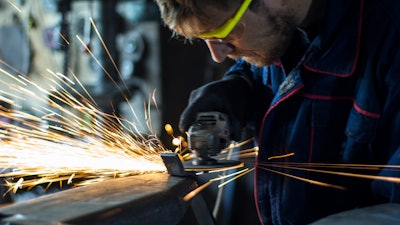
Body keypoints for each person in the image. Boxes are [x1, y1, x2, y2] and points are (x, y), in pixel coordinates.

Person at [155, 0, 400, 224]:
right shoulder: (281, 30)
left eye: (224, 33)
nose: (218, 56)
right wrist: (242, 85)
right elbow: (267, 70)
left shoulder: (389, 38)